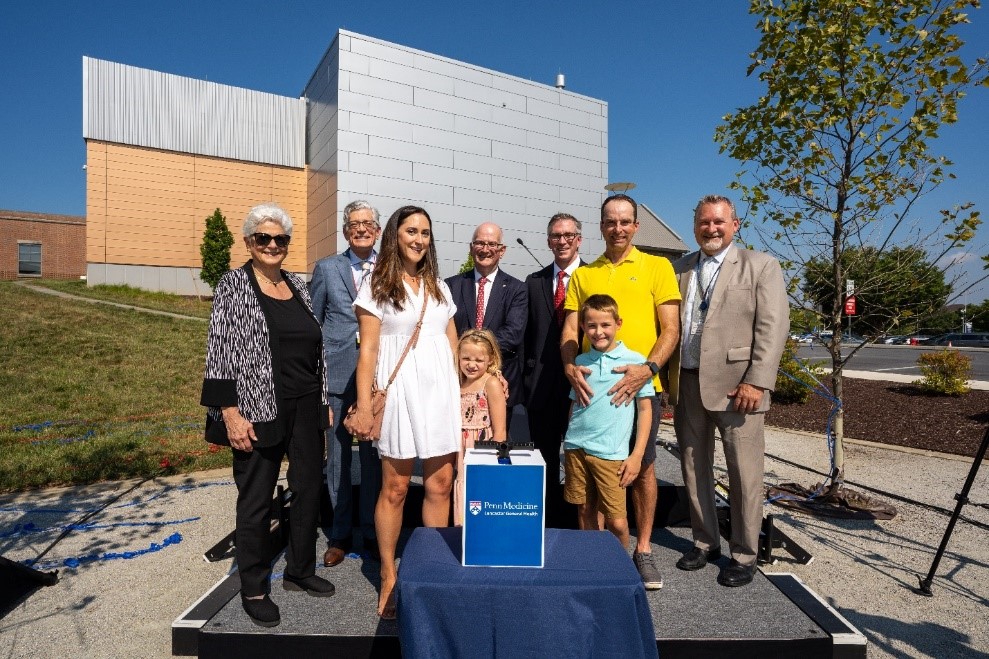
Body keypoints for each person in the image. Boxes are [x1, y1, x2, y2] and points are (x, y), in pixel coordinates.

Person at [201, 203, 335, 628]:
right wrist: (230, 412)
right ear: (249, 242)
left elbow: (317, 345)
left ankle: (299, 570)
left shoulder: (297, 284)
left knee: (308, 488)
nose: (273, 245)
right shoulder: (234, 285)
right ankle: (254, 587)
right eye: (264, 238)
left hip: (307, 404)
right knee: (256, 500)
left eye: (281, 239)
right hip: (258, 406)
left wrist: (326, 400)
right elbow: (219, 350)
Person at [561, 193, 681, 591]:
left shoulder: (657, 267)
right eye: (610, 222)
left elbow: (671, 330)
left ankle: (642, 550)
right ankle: (595, 555)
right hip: (594, 394)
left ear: (636, 226)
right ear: (600, 226)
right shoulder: (584, 273)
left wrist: (645, 370)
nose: (618, 228)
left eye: (625, 221)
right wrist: (567, 364)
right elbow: (569, 330)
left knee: (641, 469)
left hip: (642, 386)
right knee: (592, 479)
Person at [348, 205, 461, 620]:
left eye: (426, 233)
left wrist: (477, 385)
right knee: (394, 488)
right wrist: (363, 406)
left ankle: (430, 571)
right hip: (398, 395)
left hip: (440, 392)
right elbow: (369, 352)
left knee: (441, 484)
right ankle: (389, 574)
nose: (419, 239)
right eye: (411, 231)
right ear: (395, 235)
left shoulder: (440, 287)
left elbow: (452, 344)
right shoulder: (377, 285)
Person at [670, 194, 789, 587]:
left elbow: (773, 329)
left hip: (740, 388)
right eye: (704, 222)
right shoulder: (681, 267)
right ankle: (705, 542)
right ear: (695, 226)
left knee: (744, 473)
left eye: (719, 222)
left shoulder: (761, 266)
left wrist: (757, 380)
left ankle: (744, 552)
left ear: (735, 225)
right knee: (693, 466)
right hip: (688, 383)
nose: (711, 229)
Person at [310, 200, 382, 567]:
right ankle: (339, 534)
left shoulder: (391, 269)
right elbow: (314, 325)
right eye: (354, 224)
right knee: (337, 459)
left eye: (368, 223)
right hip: (337, 375)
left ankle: (371, 531)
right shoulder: (326, 268)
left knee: (373, 458)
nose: (361, 229)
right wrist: (318, 380)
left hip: (378, 378)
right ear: (345, 231)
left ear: (378, 230)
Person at [563, 295, 654, 552]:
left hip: (610, 452)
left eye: (605, 325)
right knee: (584, 509)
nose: (598, 332)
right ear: (582, 327)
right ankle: (593, 563)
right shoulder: (580, 362)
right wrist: (567, 441)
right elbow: (575, 403)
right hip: (576, 447)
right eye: (591, 326)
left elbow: (645, 411)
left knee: (617, 520)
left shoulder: (636, 362)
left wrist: (636, 455)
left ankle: (620, 568)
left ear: (618, 323)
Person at [523, 213, 584, 527]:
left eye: (568, 235)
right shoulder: (533, 283)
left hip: (584, 387)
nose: (562, 241)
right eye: (556, 236)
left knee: (578, 458)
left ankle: (578, 523)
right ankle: (543, 522)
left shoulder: (594, 277)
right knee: (544, 457)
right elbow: (526, 336)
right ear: (548, 241)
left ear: (579, 240)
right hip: (542, 386)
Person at [446, 222, 527, 431]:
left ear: (502, 250)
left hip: (500, 379)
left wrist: (475, 351)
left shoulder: (517, 289)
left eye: (492, 244)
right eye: (480, 243)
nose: (485, 249)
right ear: (471, 247)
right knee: (458, 447)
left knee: (495, 444)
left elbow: (514, 332)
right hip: (458, 381)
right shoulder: (450, 286)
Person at [454, 328, 508, 526]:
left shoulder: (491, 383)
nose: (472, 365)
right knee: (462, 485)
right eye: (466, 358)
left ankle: (480, 533)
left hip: (482, 444)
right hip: (459, 445)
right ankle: (462, 531)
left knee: (479, 489)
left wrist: (498, 456)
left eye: (478, 360)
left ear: (490, 360)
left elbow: (500, 428)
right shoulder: (457, 382)